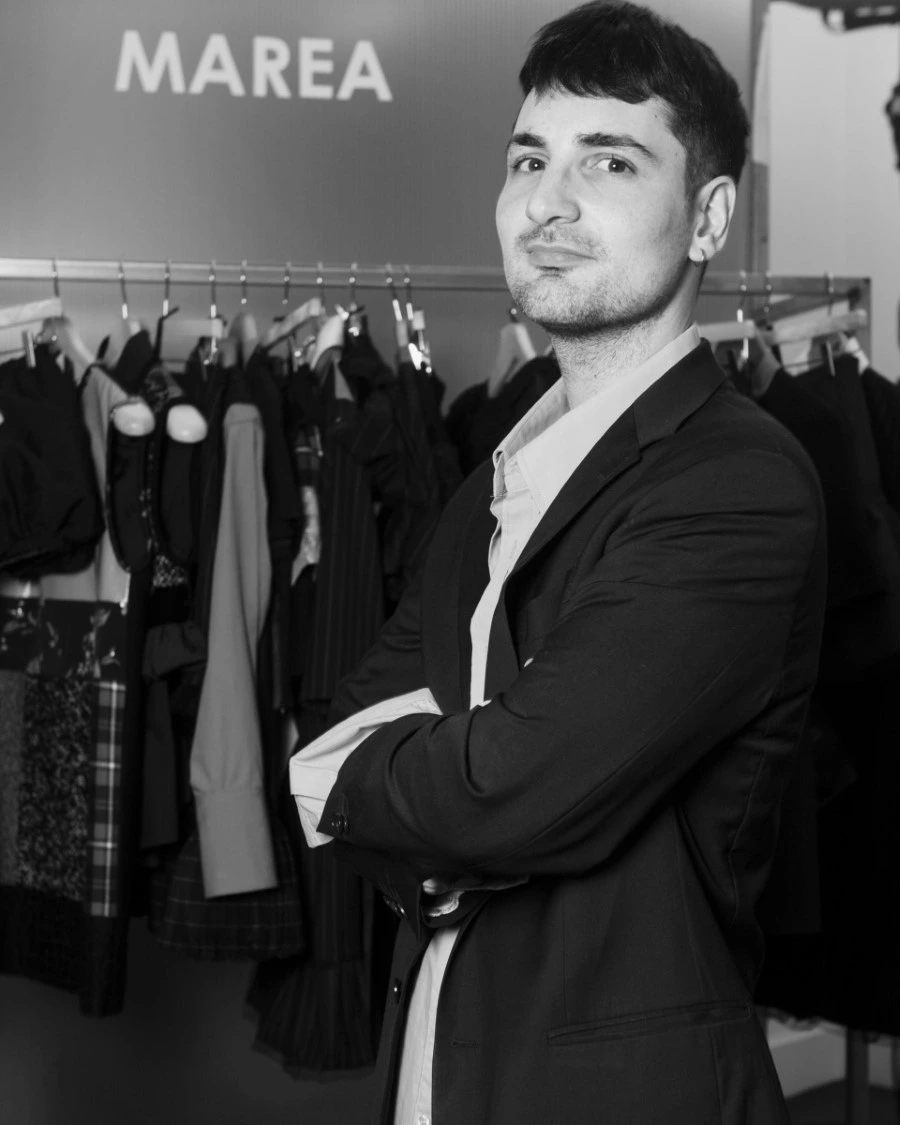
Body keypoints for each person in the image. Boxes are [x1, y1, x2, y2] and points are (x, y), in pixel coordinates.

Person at [290, 3, 827, 1122]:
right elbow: (352, 719)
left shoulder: (738, 479)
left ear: (708, 216)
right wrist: (434, 790)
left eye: (610, 161)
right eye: (529, 160)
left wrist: (381, 789)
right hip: (440, 1069)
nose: (548, 202)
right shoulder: (500, 466)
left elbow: (506, 790)